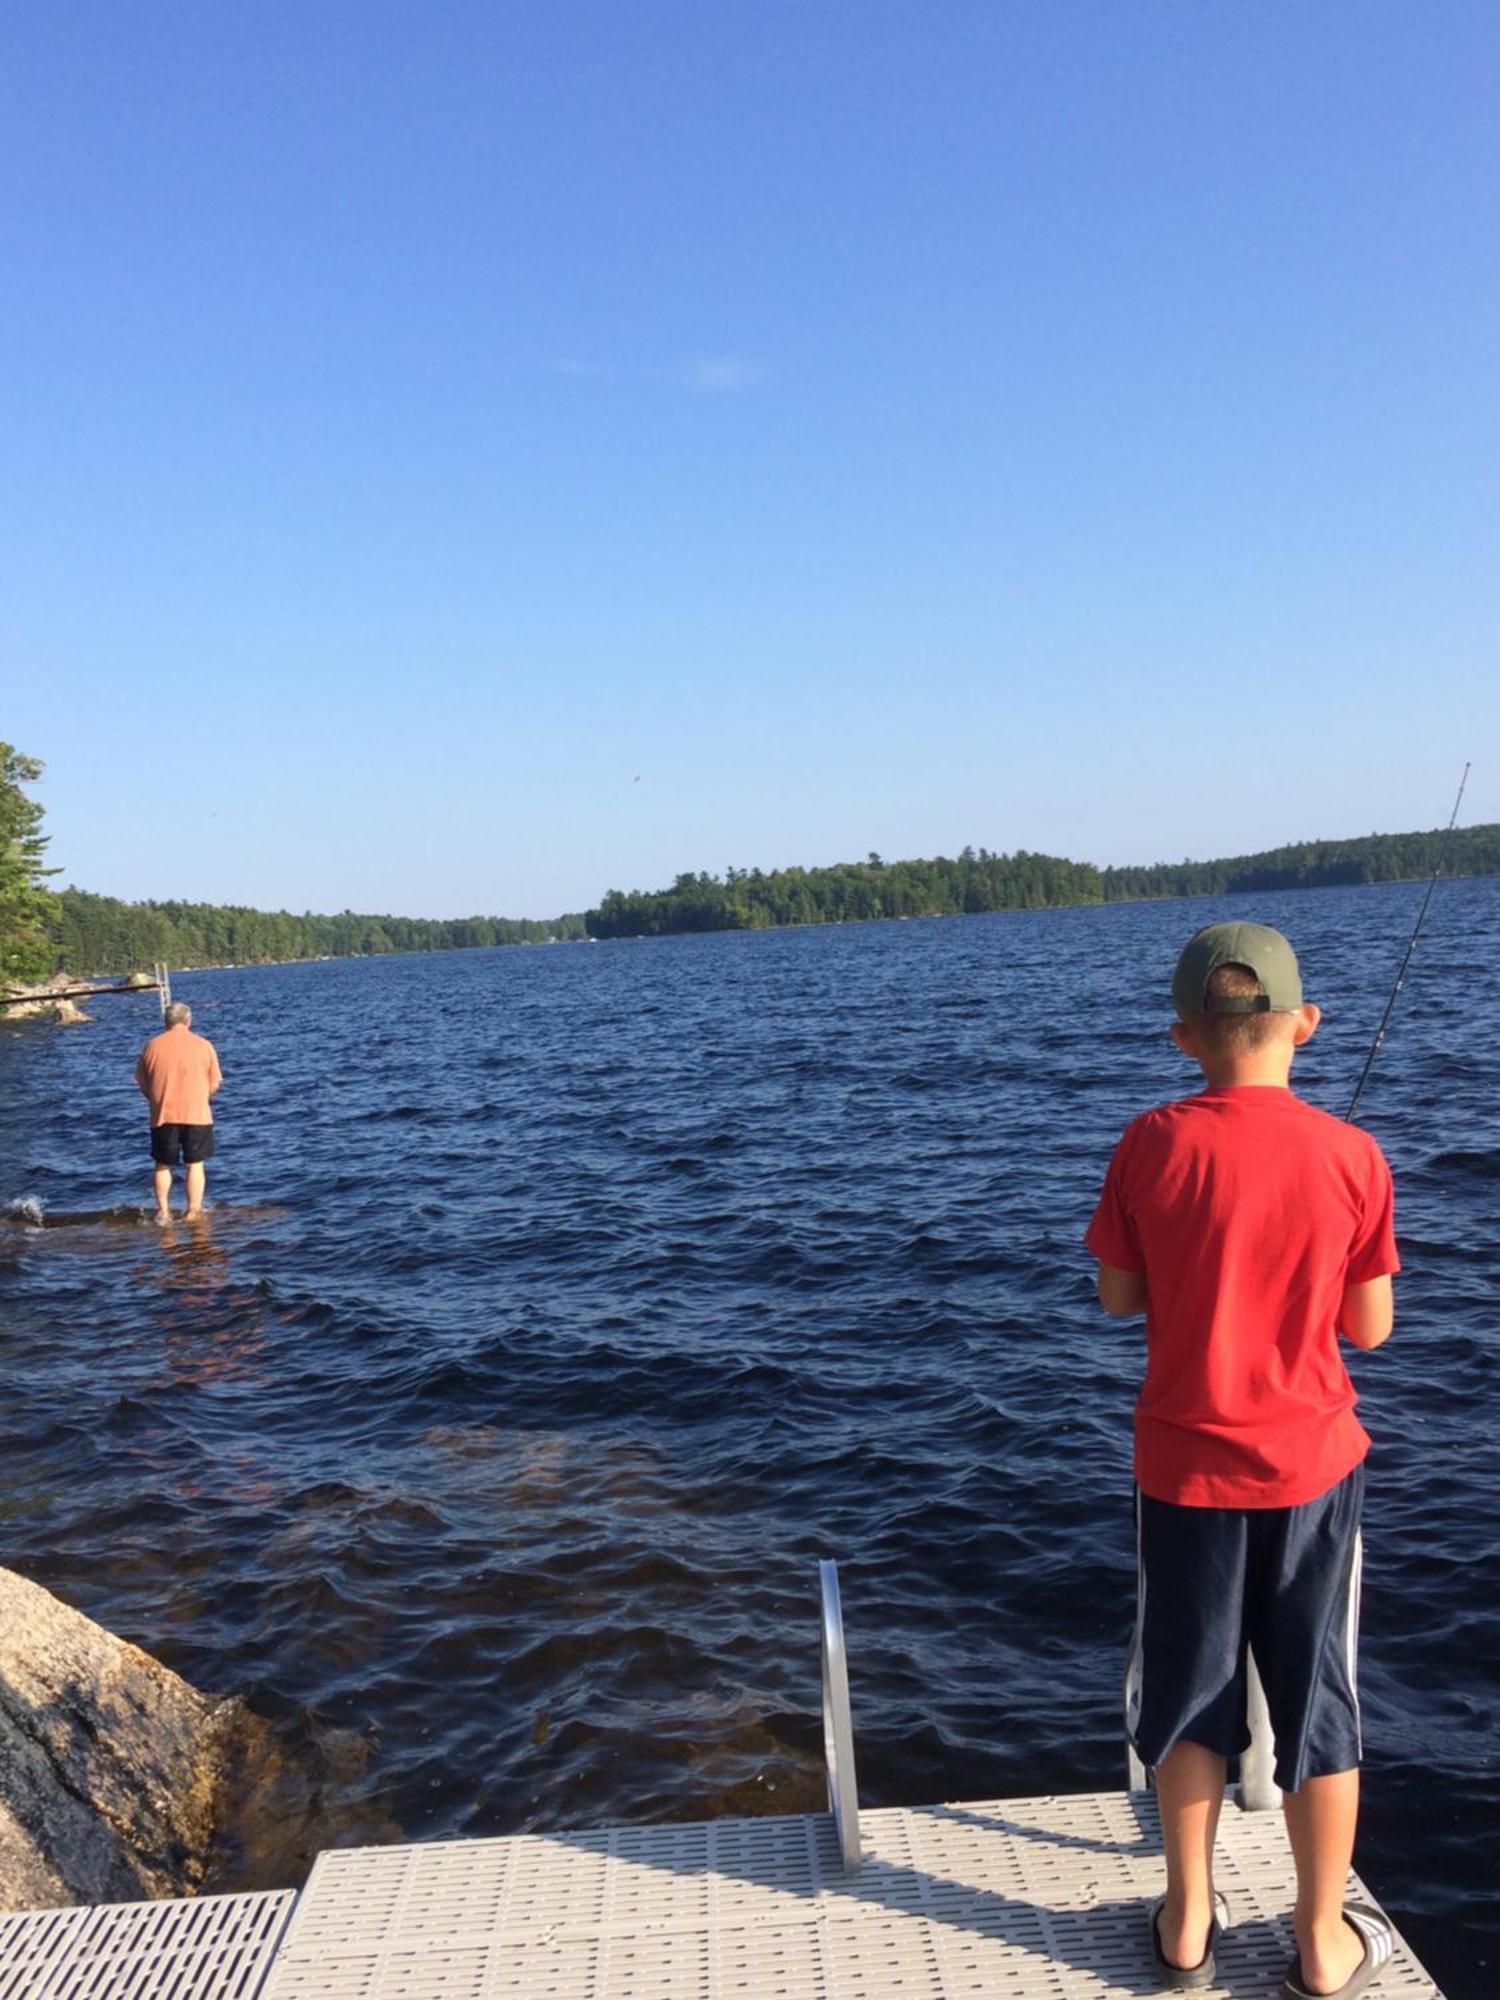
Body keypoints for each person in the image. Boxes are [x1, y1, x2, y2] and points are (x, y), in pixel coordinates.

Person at [1085, 922, 1398, 2000]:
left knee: (1188, 1693)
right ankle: (1321, 1940)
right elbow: (1373, 1329)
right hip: (1315, 1468)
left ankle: (1186, 1922)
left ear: (1184, 1038)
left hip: (1182, 1476)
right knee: (1320, 1696)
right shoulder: (1354, 1155)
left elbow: (1118, 1296)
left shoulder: (1148, 1142)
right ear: (1305, 1023)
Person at [135, 1001, 223, 1221]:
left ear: (166, 1022)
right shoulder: (204, 1045)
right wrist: (202, 1098)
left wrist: (156, 1101)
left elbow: (143, 1083)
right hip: (197, 1113)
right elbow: (215, 1083)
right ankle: (194, 1210)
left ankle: (163, 1211)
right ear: (188, 1020)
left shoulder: (151, 1046)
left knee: (163, 1164)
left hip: (163, 1114)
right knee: (195, 1164)